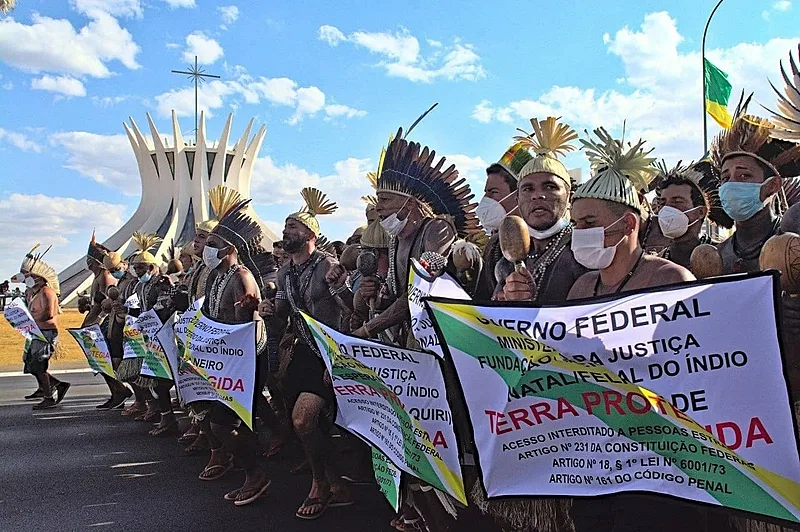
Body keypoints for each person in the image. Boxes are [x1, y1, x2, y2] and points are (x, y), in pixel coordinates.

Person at [566, 128, 703, 532]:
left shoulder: (671, 280)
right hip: (598, 457)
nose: (578, 232)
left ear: (628, 223)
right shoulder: (580, 288)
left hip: (660, 462)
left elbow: (693, 370)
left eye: (589, 222)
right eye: (574, 223)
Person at [259, 187, 355, 519]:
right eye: (285, 227)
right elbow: (285, 313)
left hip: (330, 352)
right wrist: (270, 309)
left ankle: (319, 483)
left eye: (293, 227)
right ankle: (334, 481)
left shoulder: (328, 264)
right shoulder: (285, 272)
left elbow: (349, 310)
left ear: (310, 233)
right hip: (302, 351)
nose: (286, 232)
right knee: (304, 423)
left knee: (303, 419)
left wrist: (342, 285)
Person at [197, 198, 276, 507]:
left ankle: (256, 475)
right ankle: (253, 470)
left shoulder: (242, 276)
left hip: (246, 362)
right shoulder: (217, 275)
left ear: (228, 247)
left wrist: (247, 312)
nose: (206, 249)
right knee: (226, 420)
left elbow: (245, 326)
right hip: (224, 362)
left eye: (212, 243)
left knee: (225, 423)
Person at [494, 117, 588, 305]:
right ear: (517, 201)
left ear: (569, 197)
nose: (538, 195)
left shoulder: (584, 249)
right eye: (528, 189)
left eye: (550, 187)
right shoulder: (497, 251)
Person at [475, 141, 532, 298]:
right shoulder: (493, 244)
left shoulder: (545, 243)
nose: (485, 199)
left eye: (493, 192)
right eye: (486, 192)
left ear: (518, 196)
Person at [18, 246, 70, 409]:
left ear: (39, 277)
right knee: (31, 364)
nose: (27, 278)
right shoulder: (31, 292)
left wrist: (30, 319)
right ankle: (52, 386)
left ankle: (49, 397)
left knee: (39, 365)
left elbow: (49, 314)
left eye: (30, 275)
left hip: (46, 333)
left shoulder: (47, 292)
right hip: (35, 333)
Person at [653, 161, 717, 270]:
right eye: (662, 203)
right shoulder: (655, 266)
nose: (667, 209)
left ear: (701, 212)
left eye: (677, 201)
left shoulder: (722, 255)